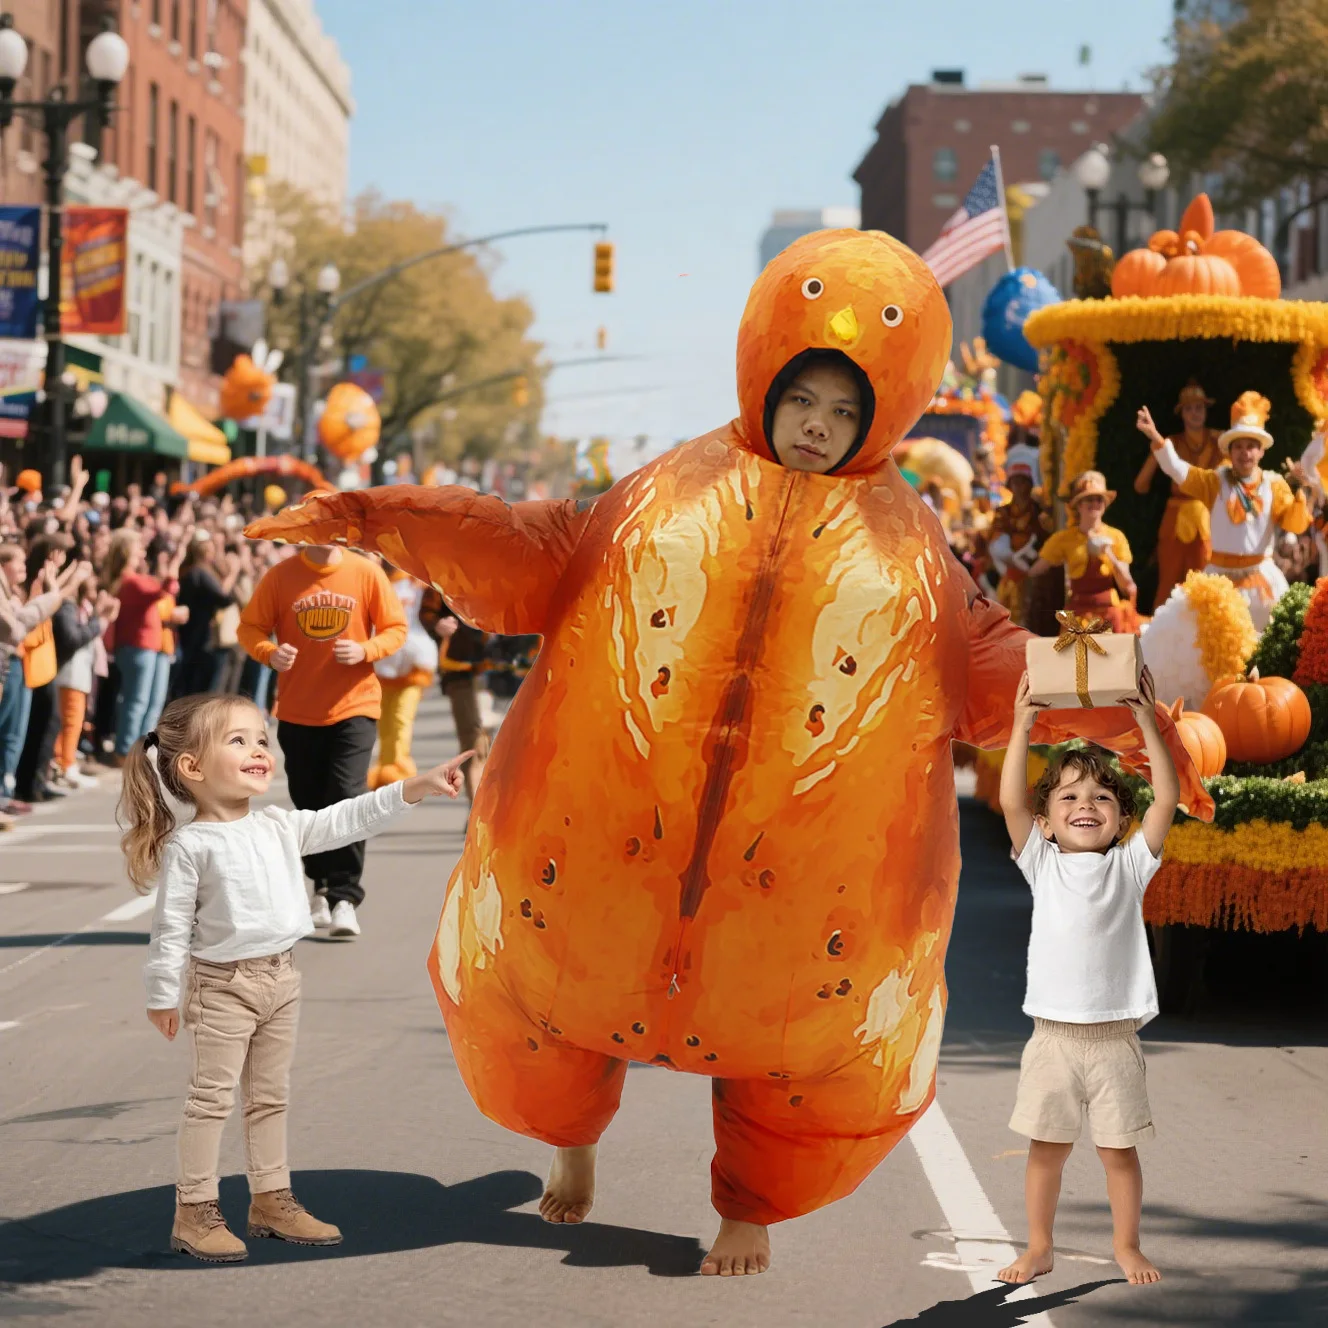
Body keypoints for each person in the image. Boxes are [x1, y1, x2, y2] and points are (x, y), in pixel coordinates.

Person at [245, 229, 1210, 1278]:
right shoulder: (661, 491)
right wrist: (380, 517)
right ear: (766, 377)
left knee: (795, 1052)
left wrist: (1128, 689)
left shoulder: (908, 547)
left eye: (847, 411)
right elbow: (532, 550)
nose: (818, 425)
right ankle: (572, 1140)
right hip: (606, 841)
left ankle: (748, 1205)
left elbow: (992, 663)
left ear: (885, 411)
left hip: (800, 886)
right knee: (555, 1010)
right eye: (804, 399)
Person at [123, 692, 473, 1263]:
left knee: (269, 1098)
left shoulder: (278, 827)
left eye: (262, 739)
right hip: (221, 987)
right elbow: (170, 932)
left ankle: (271, 1199)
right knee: (211, 1100)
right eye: (238, 740)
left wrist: (415, 786)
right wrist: (162, 996)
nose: (259, 750)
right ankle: (194, 1210)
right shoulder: (191, 845)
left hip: (282, 982)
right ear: (191, 767)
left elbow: (348, 816)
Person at [997, 668, 1177, 1288]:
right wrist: (1023, 723)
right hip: (1051, 1039)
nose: (1085, 806)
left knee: (1117, 1153)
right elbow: (1010, 801)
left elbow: (1166, 800)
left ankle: (1126, 1245)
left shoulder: (1130, 867)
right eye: (1068, 797)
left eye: (1101, 797)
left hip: (1113, 1043)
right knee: (1045, 1149)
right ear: (1045, 821)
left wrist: (1147, 722)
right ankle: (1039, 1246)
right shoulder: (1040, 865)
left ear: (1121, 820)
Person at [237, 540, 407, 939]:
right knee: (310, 803)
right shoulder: (281, 576)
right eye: (319, 527)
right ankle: (321, 888)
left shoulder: (365, 572)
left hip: (355, 705)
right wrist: (268, 652)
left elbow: (396, 628)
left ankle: (346, 896)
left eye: (336, 528)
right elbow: (249, 627)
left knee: (346, 795)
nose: (329, 536)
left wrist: (367, 649)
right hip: (298, 709)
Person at [1138, 392, 1312, 630]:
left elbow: (1296, 525)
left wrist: (1299, 492)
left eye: (1251, 446)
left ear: (1261, 452)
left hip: (1261, 581)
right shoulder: (1215, 481)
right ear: (1229, 452)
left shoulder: (1274, 485)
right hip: (1220, 581)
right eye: (1238, 446)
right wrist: (1156, 437)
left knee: (1265, 642)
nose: (1245, 452)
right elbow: (1178, 470)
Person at [1134, 381, 1223, 609]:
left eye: (1199, 407)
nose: (1195, 413)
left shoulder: (1220, 441)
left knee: (1206, 583)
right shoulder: (1169, 443)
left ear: (1206, 411)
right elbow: (1140, 485)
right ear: (1181, 413)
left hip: (1208, 520)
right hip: (1175, 522)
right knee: (1168, 584)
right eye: (1189, 408)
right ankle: (1159, 640)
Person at [105, 527, 184, 763]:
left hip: (148, 646)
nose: (142, 551)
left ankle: (141, 747)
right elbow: (166, 589)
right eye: (138, 547)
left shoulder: (135, 579)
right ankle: (125, 750)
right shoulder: (131, 581)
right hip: (137, 646)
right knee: (137, 701)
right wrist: (175, 563)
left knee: (149, 701)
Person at [1028, 471, 1139, 634]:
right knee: (1075, 658)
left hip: (1109, 613)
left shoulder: (1116, 537)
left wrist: (1109, 554)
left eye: (1099, 499)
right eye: (1089, 499)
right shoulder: (1064, 539)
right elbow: (1035, 571)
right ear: (1078, 505)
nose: (1095, 503)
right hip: (1077, 612)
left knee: (1110, 658)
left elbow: (1128, 587)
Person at [368, 564, 438, 788]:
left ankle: (399, 771)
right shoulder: (373, 580)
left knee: (401, 718)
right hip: (381, 663)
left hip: (413, 663)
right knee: (385, 721)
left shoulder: (417, 582)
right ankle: (385, 769)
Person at [419, 588, 491, 803]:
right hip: (462, 670)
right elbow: (428, 612)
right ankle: (479, 816)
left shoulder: (516, 565)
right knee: (475, 744)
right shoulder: (449, 569)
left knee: (508, 748)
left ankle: (503, 816)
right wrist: (437, 625)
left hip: (509, 673)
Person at [987, 443, 1053, 627]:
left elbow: (1047, 539)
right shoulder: (1003, 513)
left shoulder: (1039, 511)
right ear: (1010, 485)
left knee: (1034, 620)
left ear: (1030, 484)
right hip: (1010, 575)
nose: (1020, 486)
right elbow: (996, 541)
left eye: (1024, 481)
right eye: (1016, 482)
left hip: (1036, 576)